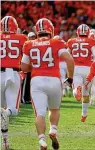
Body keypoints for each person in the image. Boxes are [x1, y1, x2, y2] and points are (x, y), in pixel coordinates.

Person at [21, 18, 74, 150]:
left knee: (40, 113)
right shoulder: (56, 42)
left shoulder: (29, 44)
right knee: (54, 109)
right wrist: (70, 78)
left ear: (37, 31)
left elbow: (23, 67)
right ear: (50, 30)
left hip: (37, 81)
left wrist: (37, 67)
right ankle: (53, 130)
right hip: (54, 80)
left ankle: (42, 140)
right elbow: (69, 59)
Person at [0, 16, 27, 149]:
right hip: (13, 73)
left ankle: (5, 142)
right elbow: (27, 60)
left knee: (1, 112)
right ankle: (5, 141)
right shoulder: (21, 38)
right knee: (12, 110)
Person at [67, 24, 95, 122]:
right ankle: (84, 114)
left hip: (76, 68)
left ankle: (76, 90)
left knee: (76, 88)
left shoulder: (71, 41)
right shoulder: (91, 41)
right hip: (88, 69)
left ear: (78, 32)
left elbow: (67, 55)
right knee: (86, 93)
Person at [21, 32, 37, 104]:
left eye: (34, 37)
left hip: (33, 66)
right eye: (31, 37)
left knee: (30, 83)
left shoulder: (35, 45)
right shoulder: (26, 45)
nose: (33, 38)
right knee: (26, 83)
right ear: (28, 37)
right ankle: (24, 98)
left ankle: (28, 98)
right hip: (26, 66)